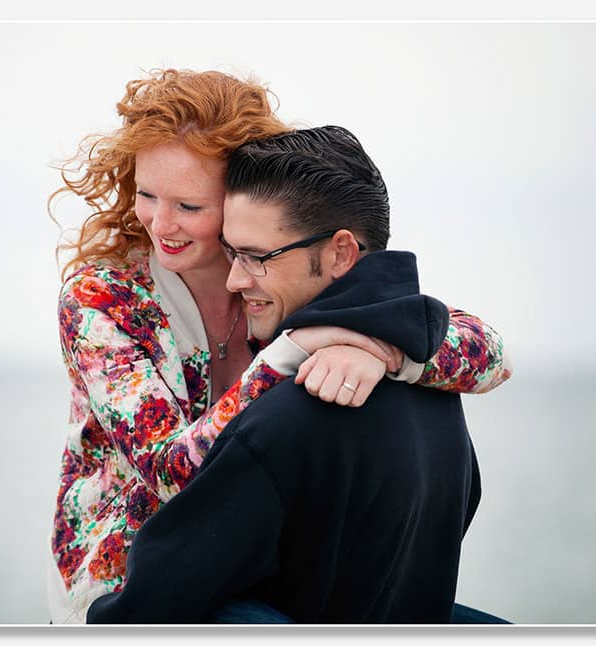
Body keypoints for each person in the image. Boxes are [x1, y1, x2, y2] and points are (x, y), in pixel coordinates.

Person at [48, 69, 512, 623]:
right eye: (147, 195)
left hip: (268, 566)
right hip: (131, 580)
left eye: (190, 207)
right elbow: (170, 471)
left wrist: (378, 348)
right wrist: (292, 351)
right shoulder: (102, 299)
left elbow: (491, 354)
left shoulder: (277, 272)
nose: (160, 223)